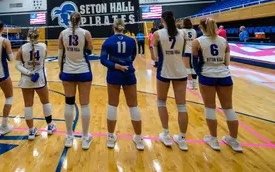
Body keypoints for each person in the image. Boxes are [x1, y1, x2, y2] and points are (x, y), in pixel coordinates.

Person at [192, 18, 242, 152]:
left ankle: (213, 139)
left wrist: (199, 73)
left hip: (207, 74)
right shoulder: (224, 41)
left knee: (209, 107)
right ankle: (234, 140)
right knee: (228, 108)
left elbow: (194, 62)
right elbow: (227, 61)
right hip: (224, 75)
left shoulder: (198, 41)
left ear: (201, 27)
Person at [100, 19, 144, 150]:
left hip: (113, 74)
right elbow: (133, 56)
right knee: (133, 105)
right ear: (123, 28)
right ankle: (139, 138)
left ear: (113, 27)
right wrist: (124, 65)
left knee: (112, 105)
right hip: (128, 73)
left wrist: (115, 66)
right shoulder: (131, 41)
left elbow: (102, 60)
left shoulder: (108, 42)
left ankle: (110, 137)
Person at [152, 11, 189, 151]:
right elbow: (183, 52)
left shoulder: (158, 34)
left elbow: (155, 57)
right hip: (180, 71)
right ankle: (182, 139)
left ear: (162, 20)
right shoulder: (183, 34)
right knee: (182, 106)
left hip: (164, 71)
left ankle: (166, 134)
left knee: (161, 101)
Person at [58, 12, 94, 149]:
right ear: (81, 20)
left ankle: (69, 136)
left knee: (69, 104)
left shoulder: (62, 34)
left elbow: (60, 55)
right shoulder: (86, 33)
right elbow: (90, 50)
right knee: (84, 105)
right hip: (84, 71)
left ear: (69, 20)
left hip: (68, 72)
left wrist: (60, 70)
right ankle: (85, 138)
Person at [15, 29, 57, 140]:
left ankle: (31, 131)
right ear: (38, 36)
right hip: (40, 79)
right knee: (45, 102)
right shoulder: (43, 47)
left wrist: (28, 72)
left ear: (28, 36)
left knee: (28, 105)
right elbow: (43, 59)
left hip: (26, 79)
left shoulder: (22, 48)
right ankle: (50, 126)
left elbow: (17, 65)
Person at [182, 18, 197, 90]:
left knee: (187, 67)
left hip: (186, 50)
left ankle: (190, 83)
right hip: (193, 50)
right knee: (193, 67)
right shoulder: (194, 31)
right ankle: (194, 83)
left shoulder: (182, 31)